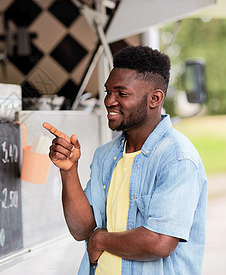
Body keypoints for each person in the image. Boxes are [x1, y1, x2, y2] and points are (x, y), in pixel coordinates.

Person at [44, 46, 207, 275]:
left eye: (122, 93)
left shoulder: (177, 158)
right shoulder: (105, 155)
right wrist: (69, 171)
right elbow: (82, 230)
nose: (109, 101)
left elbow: (159, 242)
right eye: (108, 91)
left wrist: (101, 240)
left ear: (155, 98)